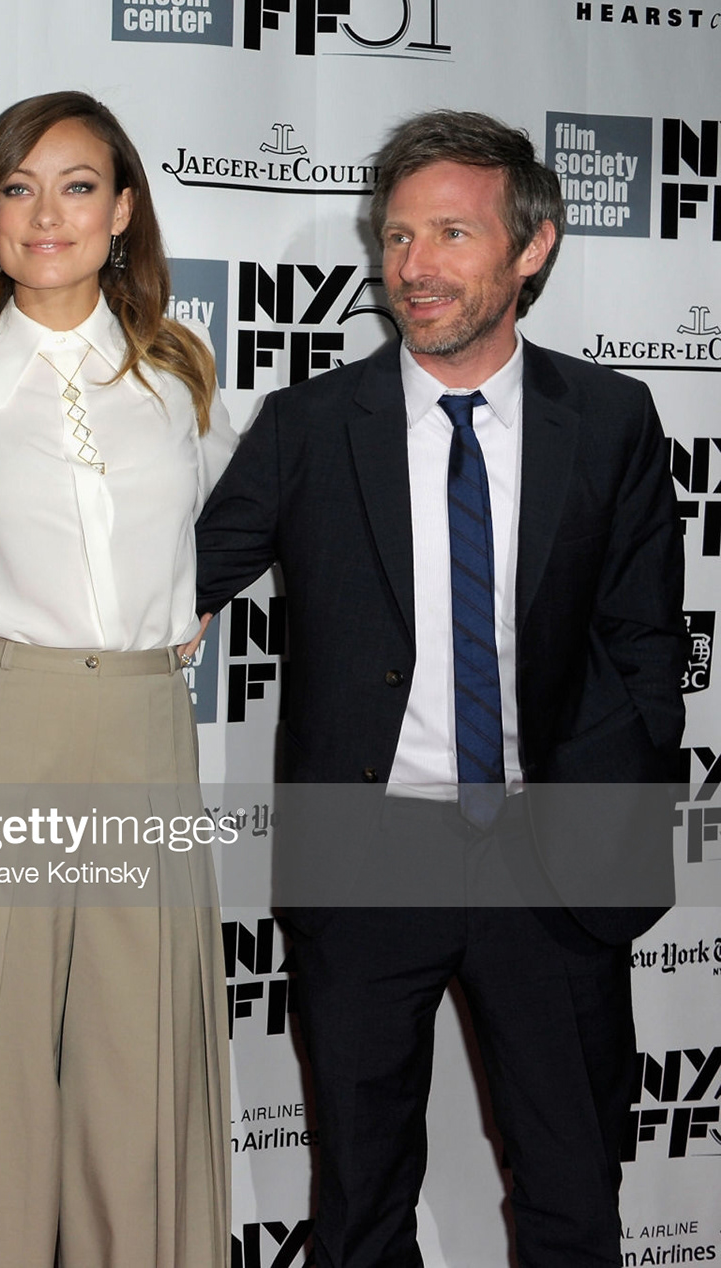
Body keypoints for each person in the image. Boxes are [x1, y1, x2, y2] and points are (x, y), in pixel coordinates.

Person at [195, 110, 683, 1268]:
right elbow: (172, 592)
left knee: (575, 1193)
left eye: (451, 233)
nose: (412, 266)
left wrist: (618, 813)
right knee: (360, 1201)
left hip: (548, 851)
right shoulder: (312, 425)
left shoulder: (610, 420)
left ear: (532, 248)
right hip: (366, 857)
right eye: (399, 235)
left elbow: (647, 640)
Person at [0, 91, 234, 1268]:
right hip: (1, 728)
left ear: (124, 209)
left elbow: (216, 549)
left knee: (134, 1062)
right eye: (20, 188)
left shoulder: (182, 380)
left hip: (143, 729)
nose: (50, 214)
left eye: (79, 185)